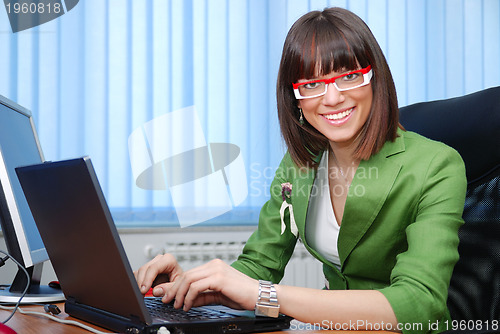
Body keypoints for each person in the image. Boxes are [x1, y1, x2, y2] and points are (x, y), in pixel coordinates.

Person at [134, 7, 466, 334]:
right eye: (312, 84)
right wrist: (194, 287)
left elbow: (419, 304)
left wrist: (265, 296)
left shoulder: (437, 166)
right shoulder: (300, 162)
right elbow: (259, 265)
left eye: (349, 76)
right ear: (296, 100)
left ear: (374, 78)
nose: (333, 98)